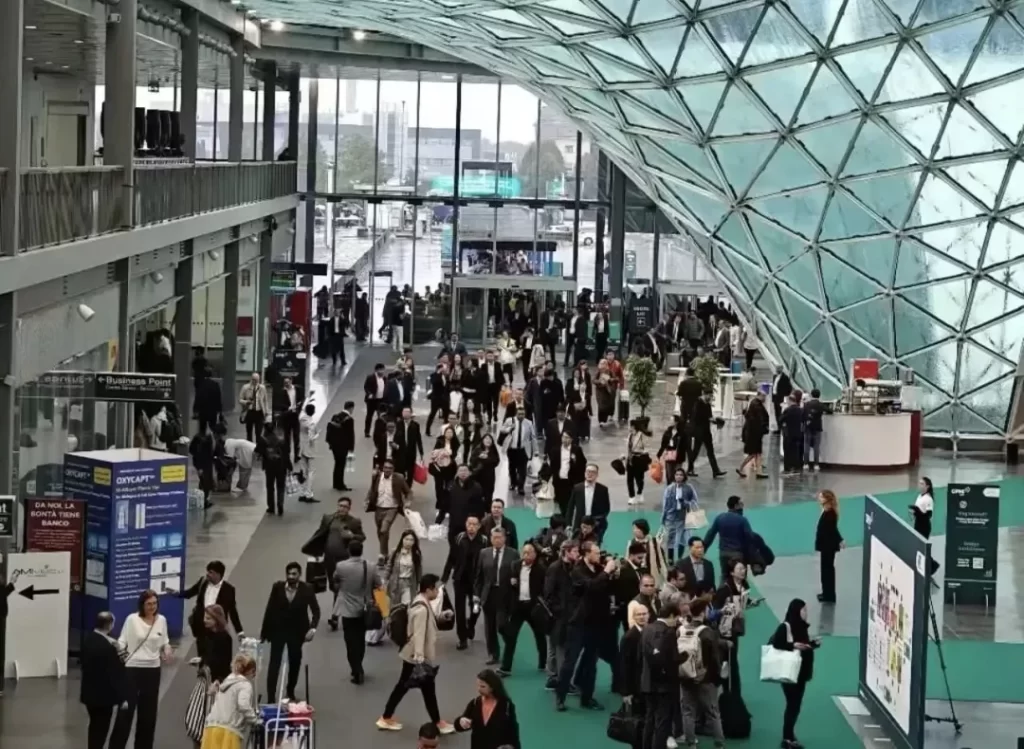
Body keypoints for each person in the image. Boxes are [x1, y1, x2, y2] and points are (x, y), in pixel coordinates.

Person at [377, 574, 456, 734]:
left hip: (412, 655)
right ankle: (387, 717)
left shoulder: (420, 601)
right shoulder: (421, 609)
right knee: (416, 687)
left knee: (417, 688)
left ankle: (387, 717)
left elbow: (428, 621)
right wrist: (420, 658)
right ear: (429, 589)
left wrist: (442, 616)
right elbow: (419, 633)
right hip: (416, 656)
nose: (438, 592)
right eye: (436, 589)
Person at [555, 540, 618, 712]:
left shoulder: (598, 569)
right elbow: (591, 587)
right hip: (578, 624)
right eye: (596, 553)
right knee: (570, 662)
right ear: (586, 554)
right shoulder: (577, 571)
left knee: (591, 663)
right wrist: (606, 572)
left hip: (596, 624)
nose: (599, 555)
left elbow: (607, 588)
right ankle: (560, 697)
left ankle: (587, 698)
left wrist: (612, 574)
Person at [109, 591, 172, 749]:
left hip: (153, 670)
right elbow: (122, 640)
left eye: (155, 603)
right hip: (132, 669)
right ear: (142, 605)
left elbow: (165, 641)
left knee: (148, 714)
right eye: (149, 604)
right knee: (126, 712)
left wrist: (167, 649)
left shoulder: (161, 620)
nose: (152, 607)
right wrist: (118, 650)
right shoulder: (132, 619)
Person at [302, 496, 366, 629]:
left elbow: (362, 537)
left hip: (345, 560)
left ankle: (334, 617)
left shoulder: (354, 522)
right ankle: (337, 614)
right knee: (332, 586)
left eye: (345, 507)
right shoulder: (328, 518)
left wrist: (352, 536)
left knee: (338, 587)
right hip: (329, 558)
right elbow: (320, 535)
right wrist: (316, 553)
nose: (342, 508)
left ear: (349, 508)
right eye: (340, 506)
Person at [259, 562, 320, 702]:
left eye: (294, 574)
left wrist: (312, 628)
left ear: (299, 575)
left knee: (295, 662)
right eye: (289, 574)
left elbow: (316, 611)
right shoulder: (277, 587)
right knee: (274, 663)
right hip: (278, 631)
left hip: (297, 633)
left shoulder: (308, 589)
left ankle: (290, 691)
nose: (291, 576)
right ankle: (271, 697)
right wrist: (264, 632)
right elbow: (270, 609)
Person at [769, 599, 820, 749]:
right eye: (803, 610)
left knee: (795, 705)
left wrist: (813, 645)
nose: (806, 613)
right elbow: (776, 643)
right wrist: (793, 645)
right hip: (790, 674)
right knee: (793, 705)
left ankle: (789, 735)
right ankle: (787, 737)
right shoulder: (785, 627)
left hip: (801, 674)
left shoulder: (801, 628)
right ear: (797, 611)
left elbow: (803, 646)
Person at [332, 540, 381, 684]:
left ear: (348, 551)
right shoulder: (371, 567)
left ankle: (356, 668)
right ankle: (359, 665)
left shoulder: (341, 567)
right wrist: (384, 609)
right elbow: (379, 586)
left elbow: (335, 581)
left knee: (350, 641)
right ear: (361, 550)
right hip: (365, 609)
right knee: (360, 640)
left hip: (348, 610)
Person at [677, 598, 724, 748]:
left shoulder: (680, 630)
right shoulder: (707, 632)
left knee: (688, 712)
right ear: (703, 613)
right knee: (713, 712)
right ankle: (719, 742)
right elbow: (714, 659)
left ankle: (691, 743)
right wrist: (715, 679)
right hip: (705, 679)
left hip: (685, 676)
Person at [640, 595, 684, 749]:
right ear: (671, 615)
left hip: (648, 682)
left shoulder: (647, 629)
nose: (677, 621)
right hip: (664, 686)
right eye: (676, 617)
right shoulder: (669, 632)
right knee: (663, 723)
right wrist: (684, 656)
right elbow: (671, 659)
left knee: (650, 719)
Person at [499, 541, 547, 676]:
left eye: (529, 552)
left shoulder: (541, 570)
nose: (526, 555)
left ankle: (543, 663)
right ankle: (505, 667)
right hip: (518, 607)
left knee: (540, 636)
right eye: (524, 552)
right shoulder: (515, 566)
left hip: (533, 608)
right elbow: (509, 586)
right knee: (511, 636)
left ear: (535, 554)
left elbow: (544, 589)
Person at [172, 560, 244, 650]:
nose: (207, 574)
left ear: (218, 574)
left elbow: (232, 611)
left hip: (218, 627)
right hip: (201, 626)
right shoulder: (203, 582)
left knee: (216, 653)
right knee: (202, 652)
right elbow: (190, 593)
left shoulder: (229, 590)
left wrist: (239, 631)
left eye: (210, 572)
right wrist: (177, 593)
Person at [81, 611, 127, 749]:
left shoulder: (87, 640)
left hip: (89, 696)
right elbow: (115, 673)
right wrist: (122, 699)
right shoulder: (109, 648)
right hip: (104, 699)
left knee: (94, 727)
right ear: (110, 625)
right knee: (101, 731)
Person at [474, 527, 520, 666]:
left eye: (499, 537)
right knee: (490, 627)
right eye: (494, 537)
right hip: (488, 593)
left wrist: (515, 581)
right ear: (490, 538)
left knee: (501, 624)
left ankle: (509, 642)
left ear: (504, 539)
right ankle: (493, 654)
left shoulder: (513, 554)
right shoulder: (484, 553)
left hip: (504, 593)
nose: (497, 540)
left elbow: (518, 573)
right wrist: (477, 595)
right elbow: (479, 576)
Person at [442, 515, 487, 649]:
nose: (471, 527)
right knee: (460, 610)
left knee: (476, 607)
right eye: (469, 524)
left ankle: (471, 624)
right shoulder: (460, 538)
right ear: (466, 525)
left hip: (476, 581)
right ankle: (462, 638)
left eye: (474, 524)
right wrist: (445, 576)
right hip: (460, 579)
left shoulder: (484, 541)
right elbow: (451, 557)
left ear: (479, 526)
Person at [200, 654, 259, 749]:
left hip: (211, 728)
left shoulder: (228, 680)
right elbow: (243, 705)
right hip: (228, 731)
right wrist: (254, 720)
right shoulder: (245, 685)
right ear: (251, 671)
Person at [455, 669, 522, 749]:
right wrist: (461, 722)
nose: (479, 689)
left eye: (483, 686)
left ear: (492, 687)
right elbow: (459, 726)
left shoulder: (506, 706)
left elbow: (513, 732)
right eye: (478, 685)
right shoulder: (475, 703)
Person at [712, 559, 750, 695]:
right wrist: (723, 611)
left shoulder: (744, 586)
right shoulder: (724, 589)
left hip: (734, 631)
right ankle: (723, 692)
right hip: (723, 632)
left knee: (732, 662)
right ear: (732, 572)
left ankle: (732, 694)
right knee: (724, 663)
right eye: (740, 569)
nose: (743, 571)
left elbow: (743, 603)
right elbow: (714, 611)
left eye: (744, 568)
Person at [366, 459, 411, 563]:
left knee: (384, 530)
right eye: (385, 467)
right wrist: (367, 499)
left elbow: (408, 492)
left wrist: (408, 502)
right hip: (378, 507)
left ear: (393, 470)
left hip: (392, 508)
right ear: (383, 468)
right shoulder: (376, 476)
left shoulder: (399, 478)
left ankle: (382, 555)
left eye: (390, 468)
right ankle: (385, 553)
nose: (387, 470)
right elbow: (372, 489)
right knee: (380, 531)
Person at [620, 602, 648, 749]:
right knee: (636, 723)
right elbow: (624, 666)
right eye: (639, 614)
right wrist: (626, 692)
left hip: (646, 685)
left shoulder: (648, 632)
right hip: (635, 688)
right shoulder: (629, 637)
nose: (642, 617)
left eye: (644, 614)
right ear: (633, 617)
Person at [702, 494, 755, 573]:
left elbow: (710, 535)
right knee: (740, 578)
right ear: (736, 506)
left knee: (724, 576)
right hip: (738, 554)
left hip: (723, 553)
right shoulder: (742, 520)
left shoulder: (720, 518)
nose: (742, 506)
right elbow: (750, 537)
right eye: (741, 504)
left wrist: (704, 548)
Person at [661, 468, 698, 565]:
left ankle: (680, 558)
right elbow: (665, 504)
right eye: (677, 474)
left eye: (681, 475)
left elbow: (694, 502)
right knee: (670, 537)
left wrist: (685, 503)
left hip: (684, 516)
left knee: (683, 538)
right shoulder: (669, 488)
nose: (678, 476)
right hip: (671, 516)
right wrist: (663, 517)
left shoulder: (689, 488)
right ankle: (670, 559)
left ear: (684, 476)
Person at [567, 463, 611, 542]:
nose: (590, 474)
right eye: (588, 471)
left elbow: (606, 508)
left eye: (593, 472)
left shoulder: (603, 489)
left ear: (597, 475)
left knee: (594, 548)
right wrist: (568, 524)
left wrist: (597, 521)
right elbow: (570, 507)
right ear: (584, 473)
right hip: (579, 524)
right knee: (576, 546)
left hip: (596, 525)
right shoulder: (577, 488)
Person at [255, 424, 292, 516]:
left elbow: (257, 451)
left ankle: (271, 507)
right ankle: (280, 505)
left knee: (270, 487)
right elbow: (287, 453)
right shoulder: (281, 440)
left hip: (269, 466)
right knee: (280, 486)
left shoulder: (263, 440)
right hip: (281, 466)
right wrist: (289, 466)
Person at [549, 429, 586, 519]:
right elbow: (552, 465)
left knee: (571, 501)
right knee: (561, 501)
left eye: (567, 437)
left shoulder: (577, 450)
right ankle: (565, 517)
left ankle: (571, 517)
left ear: (571, 439)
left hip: (572, 481)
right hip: (559, 481)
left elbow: (583, 463)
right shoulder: (555, 450)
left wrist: (575, 462)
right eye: (563, 437)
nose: (565, 439)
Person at [815, 489, 844, 604]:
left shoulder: (830, 514)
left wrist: (839, 540)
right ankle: (826, 593)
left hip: (828, 547)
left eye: (821, 496)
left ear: (826, 499)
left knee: (827, 571)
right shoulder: (826, 511)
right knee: (825, 570)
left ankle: (829, 595)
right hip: (826, 546)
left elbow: (832, 530)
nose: (819, 498)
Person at [688, 391, 725, 478]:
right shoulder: (698, 404)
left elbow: (710, 417)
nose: (711, 397)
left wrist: (716, 421)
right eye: (710, 396)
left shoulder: (708, 405)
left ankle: (716, 471)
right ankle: (689, 469)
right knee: (696, 451)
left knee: (711, 451)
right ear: (705, 394)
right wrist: (708, 419)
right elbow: (696, 417)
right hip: (699, 432)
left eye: (711, 396)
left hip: (706, 432)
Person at [500, 406, 535, 497]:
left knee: (522, 469)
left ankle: (521, 487)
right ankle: (513, 483)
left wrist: (535, 450)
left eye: (523, 414)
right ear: (516, 413)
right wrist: (509, 429)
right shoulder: (509, 420)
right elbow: (502, 429)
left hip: (523, 449)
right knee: (512, 467)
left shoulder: (529, 423)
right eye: (519, 414)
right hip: (512, 449)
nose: (521, 415)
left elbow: (532, 437)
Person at [197, 604, 234, 686]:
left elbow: (225, 663)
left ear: (217, 619)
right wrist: (200, 660)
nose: (204, 620)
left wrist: (219, 680)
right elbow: (207, 655)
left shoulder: (225, 638)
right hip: (206, 678)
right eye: (204, 617)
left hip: (218, 681)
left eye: (208, 618)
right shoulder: (206, 635)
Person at [386, 530, 424, 608]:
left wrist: (419, 583)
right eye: (406, 539)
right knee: (394, 606)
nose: (408, 542)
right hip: (395, 582)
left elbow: (418, 570)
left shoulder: (416, 554)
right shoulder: (395, 552)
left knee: (406, 606)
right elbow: (389, 566)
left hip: (408, 583)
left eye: (411, 540)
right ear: (402, 539)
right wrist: (384, 580)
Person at [737, 391, 769, 479]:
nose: (765, 398)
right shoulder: (757, 405)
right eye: (764, 396)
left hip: (754, 433)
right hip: (755, 433)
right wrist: (764, 428)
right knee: (753, 453)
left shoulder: (754, 404)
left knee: (757, 453)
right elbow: (760, 418)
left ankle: (759, 472)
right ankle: (741, 468)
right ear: (759, 396)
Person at [325, 402, 356, 491]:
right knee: (341, 465)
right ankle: (341, 484)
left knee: (337, 464)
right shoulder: (349, 419)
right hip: (343, 446)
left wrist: (330, 443)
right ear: (350, 408)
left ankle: (335, 483)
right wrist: (351, 448)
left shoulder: (335, 416)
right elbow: (351, 435)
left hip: (334, 445)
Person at [629, 518, 668, 585]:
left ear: (642, 529)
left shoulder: (654, 542)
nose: (634, 531)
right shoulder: (631, 543)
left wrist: (666, 576)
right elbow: (628, 561)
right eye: (633, 529)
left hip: (652, 574)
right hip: (638, 576)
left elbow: (661, 559)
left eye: (636, 528)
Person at [276, 376, 303, 462]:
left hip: (295, 415)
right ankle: (287, 454)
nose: (286, 384)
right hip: (287, 416)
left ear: (291, 381)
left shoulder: (298, 389)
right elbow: (279, 404)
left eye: (287, 382)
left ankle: (296, 455)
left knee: (296, 436)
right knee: (287, 437)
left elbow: (302, 398)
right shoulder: (282, 392)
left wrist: (299, 406)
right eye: (285, 383)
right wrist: (287, 408)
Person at [625, 418, 651, 506]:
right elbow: (628, 448)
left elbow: (647, 447)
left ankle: (640, 492)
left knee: (639, 479)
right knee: (629, 479)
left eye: (630, 426)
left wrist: (643, 452)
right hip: (631, 458)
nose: (629, 428)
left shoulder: (641, 435)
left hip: (639, 459)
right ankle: (631, 496)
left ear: (633, 426)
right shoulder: (629, 435)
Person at [238, 373, 269, 442]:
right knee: (249, 433)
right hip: (249, 412)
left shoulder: (262, 388)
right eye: (254, 380)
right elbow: (240, 400)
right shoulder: (245, 387)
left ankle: (258, 449)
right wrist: (246, 402)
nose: (255, 381)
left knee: (258, 433)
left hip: (259, 412)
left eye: (257, 380)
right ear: (251, 379)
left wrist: (266, 411)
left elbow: (265, 400)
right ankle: (250, 448)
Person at [470, 433, 500, 502]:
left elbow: (496, 461)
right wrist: (479, 457)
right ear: (482, 440)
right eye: (486, 439)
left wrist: (487, 459)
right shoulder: (477, 449)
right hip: (478, 475)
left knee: (489, 493)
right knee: (478, 493)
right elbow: (472, 461)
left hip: (489, 475)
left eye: (490, 439)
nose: (488, 440)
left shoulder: (493, 450)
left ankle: (488, 508)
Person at [802, 388, 825, 471]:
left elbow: (803, 415)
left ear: (811, 395)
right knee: (816, 446)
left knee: (806, 445)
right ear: (819, 395)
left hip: (808, 427)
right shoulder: (820, 405)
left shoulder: (807, 404)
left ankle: (805, 464)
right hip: (817, 427)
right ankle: (816, 464)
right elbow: (829, 410)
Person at [364, 362, 388, 438]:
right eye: (381, 370)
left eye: (383, 370)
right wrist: (369, 394)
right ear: (377, 370)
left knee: (381, 417)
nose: (382, 371)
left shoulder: (385, 378)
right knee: (369, 416)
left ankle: (380, 431)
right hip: (372, 401)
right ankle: (367, 431)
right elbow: (366, 387)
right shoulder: (370, 377)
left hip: (381, 401)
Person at [771, 365, 793, 432]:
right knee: (776, 412)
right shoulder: (774, 376)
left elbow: (789, 388)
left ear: (781, 369)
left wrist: (785, 395)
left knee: (780, 413)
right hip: (775, 397)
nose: (776, 370)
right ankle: (778, 427)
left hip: (780, 397)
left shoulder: (785, 378)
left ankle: (780, 428)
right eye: (776, 368)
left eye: (778, 369)